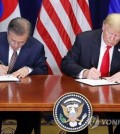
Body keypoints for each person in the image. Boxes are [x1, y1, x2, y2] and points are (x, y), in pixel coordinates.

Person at [61, 13, 120, 134]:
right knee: (76, 117)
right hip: (86, 93)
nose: (113, 39)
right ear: (103, 26)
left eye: (118, 36)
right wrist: (85, 72)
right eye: (110, 34)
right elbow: (66, 63)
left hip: (116, 96)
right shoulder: (84, 39)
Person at [0, 17, 48, 134]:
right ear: (7, 32)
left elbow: (43, 70)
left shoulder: (37, 47)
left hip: (23, 99)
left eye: (21, 42)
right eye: (12, 40)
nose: (16, 45)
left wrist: (29, 69)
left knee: (29, 117)